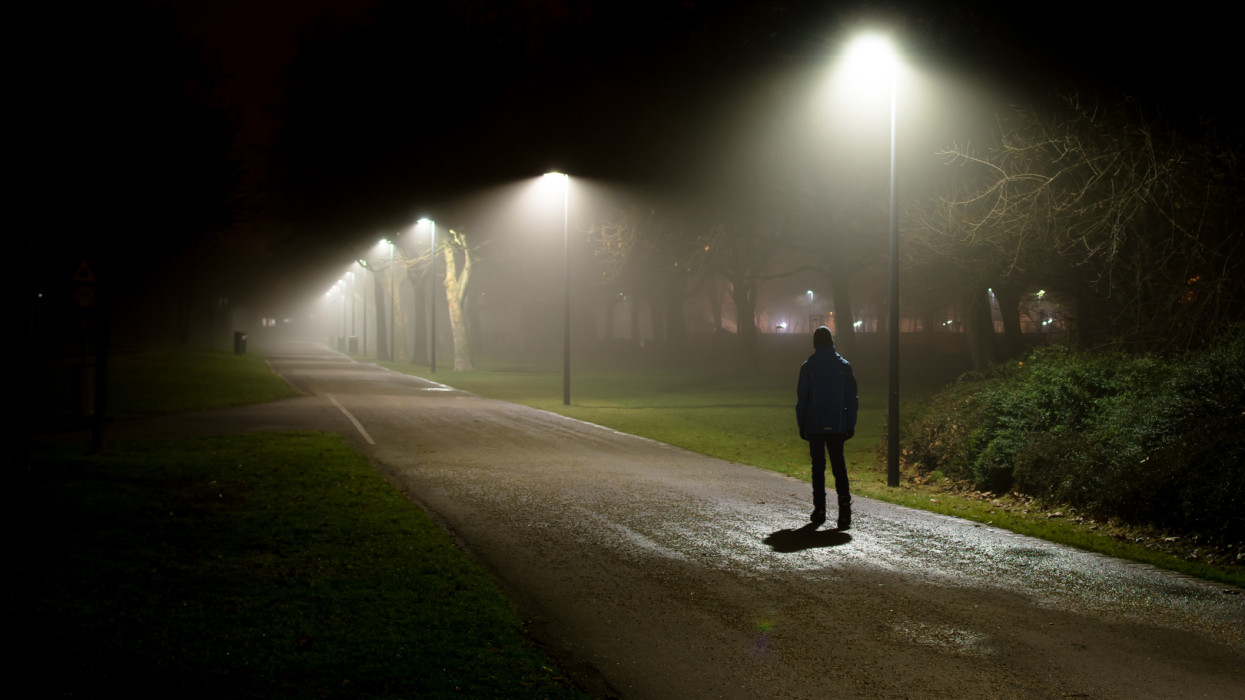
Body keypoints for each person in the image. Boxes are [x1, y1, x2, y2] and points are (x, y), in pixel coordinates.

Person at [796, 326, 859, 529]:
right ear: (832, 341)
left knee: (818, 467)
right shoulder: (843, 366)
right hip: (838, 423)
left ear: (815, 343)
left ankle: (820, 509)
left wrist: (801, 423)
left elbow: (802, 399)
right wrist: (850, 423)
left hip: (815, 424)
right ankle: (844, 512)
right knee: (839, 465)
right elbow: (851, 398)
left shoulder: (808, 366)